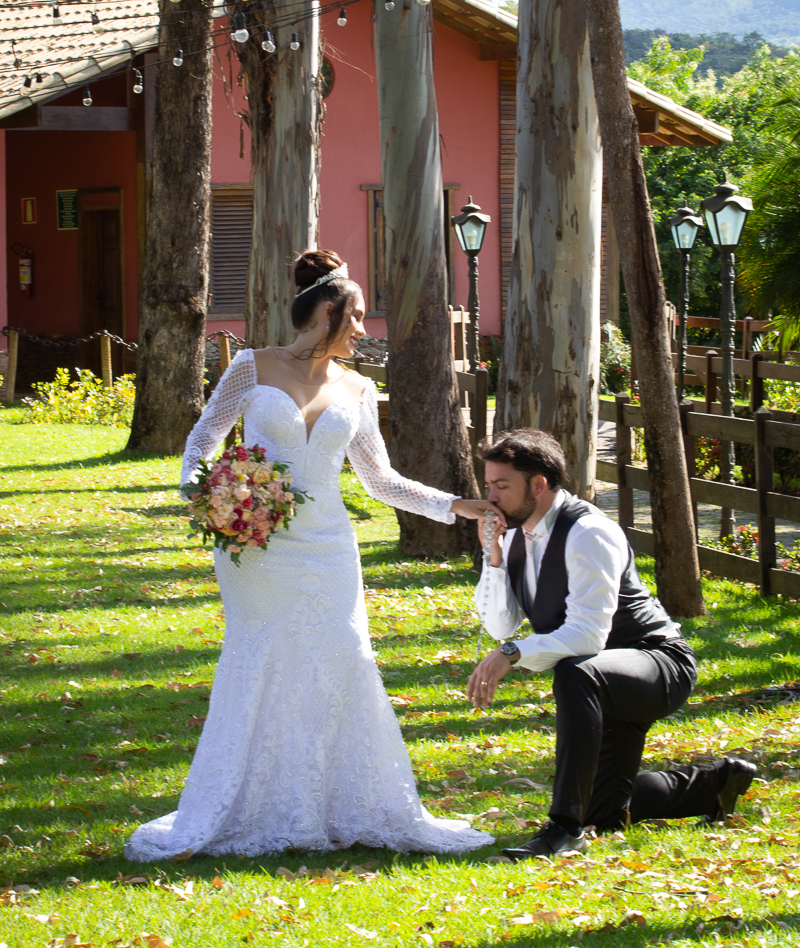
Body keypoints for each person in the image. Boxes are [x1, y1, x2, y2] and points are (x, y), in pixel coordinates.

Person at [125, 250, 494, 860]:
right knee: (261, 656)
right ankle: (251, 802)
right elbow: (203, 438)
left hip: (328, 548)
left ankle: (338, 801)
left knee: (343, 655)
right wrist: (205, 495)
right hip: (255, 547)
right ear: (327, 312)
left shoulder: (359, 388)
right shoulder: (251, 366)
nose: (361, 331)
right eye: (355, 318)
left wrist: (458, 505)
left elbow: (381, 481)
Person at [467, 428, 756, 860]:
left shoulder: (589, 532)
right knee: (603, 810)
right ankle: (713, 785)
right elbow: (500, 623)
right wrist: (493, 558)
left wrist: (512, 654)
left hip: (657, 664)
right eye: (488, 485)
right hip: (601, 675)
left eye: (501, 486)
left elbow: (588, 635)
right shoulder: (512, 536)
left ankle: (563, 831)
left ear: (539, 485)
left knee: (575, 670)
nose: (490, 498)